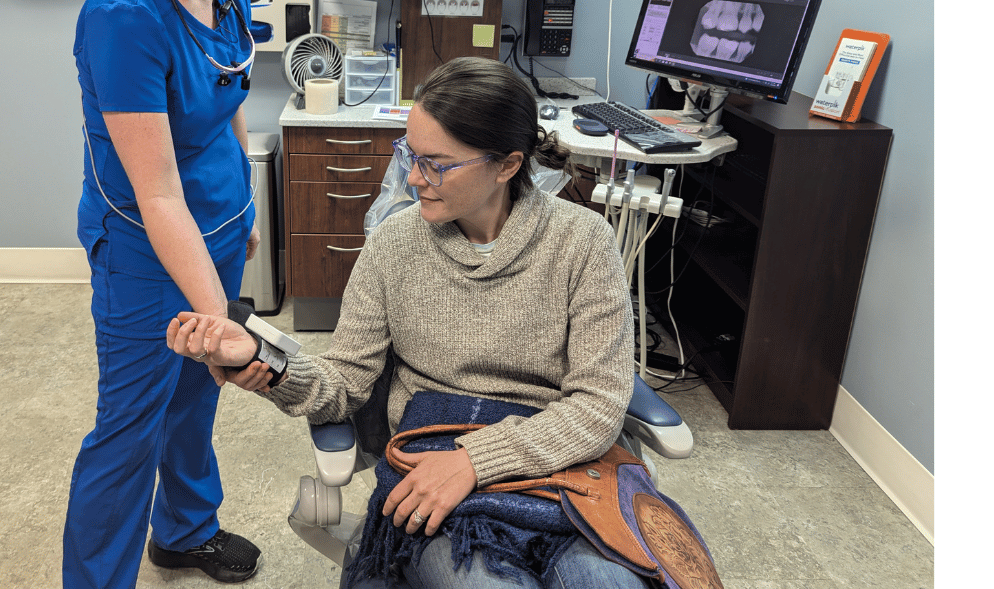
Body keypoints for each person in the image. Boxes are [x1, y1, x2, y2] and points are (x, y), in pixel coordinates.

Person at [168, 57, 650, 589]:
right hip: (430, 469)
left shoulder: (582, 243)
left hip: (558, 470)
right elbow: (345, 385)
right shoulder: (394, 248)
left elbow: (600, 404)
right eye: (409, 156)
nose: (413, 179)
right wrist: (264, 360)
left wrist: (473, 462)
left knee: (610, 582)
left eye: (437, 164)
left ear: (508, 165)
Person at [65, 0, 289, 588]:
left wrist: (247, 211)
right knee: (128, 432)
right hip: (148, 253)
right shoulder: (125, 15)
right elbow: (157, 192)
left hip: (217, 234)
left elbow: (231, 96)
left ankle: (185, 530)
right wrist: (219, 314)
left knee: (195, 401)